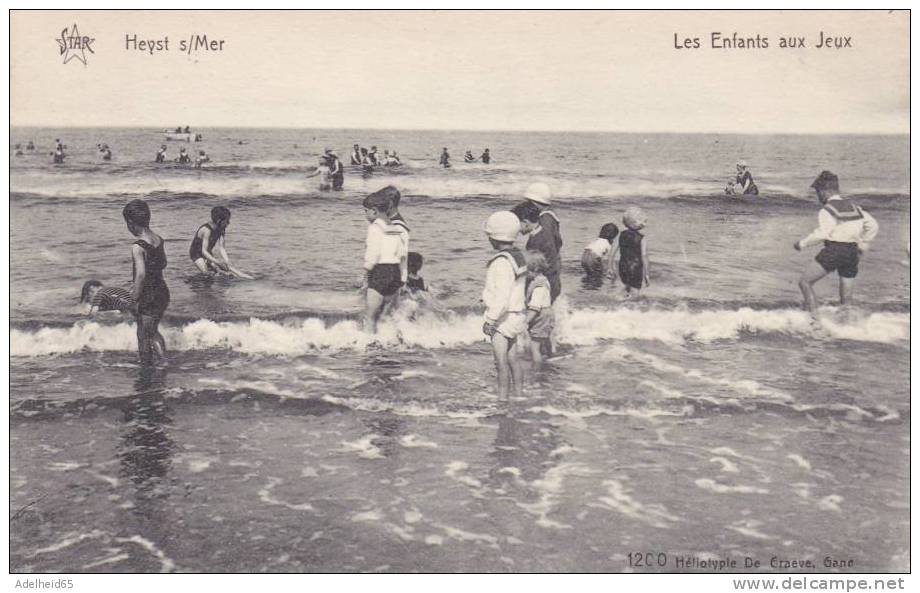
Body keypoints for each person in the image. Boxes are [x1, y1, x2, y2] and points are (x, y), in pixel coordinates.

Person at [794, 171, 879, 313]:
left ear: (825, 191)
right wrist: (862, 246)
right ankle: (846, 327)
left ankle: (815, 323)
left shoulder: (827, 210)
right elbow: (873, 225)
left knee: (805, 282)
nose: (818, 196)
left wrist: (802, 243)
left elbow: (822, 234)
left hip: (834, 251)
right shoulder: (854, 207)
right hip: (852, 252)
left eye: (818, 192)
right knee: (846, 299)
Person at [482, 211, 528, 398]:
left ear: (494, 238)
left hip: (503, 318)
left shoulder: (501, 262)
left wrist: (491, 319)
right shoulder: (518, 256)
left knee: (500, 363)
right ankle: (518, 395)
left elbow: (501, 296)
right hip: (517, 314)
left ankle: (502, 400)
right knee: (513, 360)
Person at [123, 199, 169, 364]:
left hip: (148, 295)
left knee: (143, 334)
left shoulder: (138, 246)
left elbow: (141, 275)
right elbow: (163, 264)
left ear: (131, 223)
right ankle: (161, 362)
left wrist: (134, 298)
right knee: (152, 331)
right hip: (162, 292)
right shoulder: (158, 239)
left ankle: (150, 366)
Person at [361, 189, 408, 333]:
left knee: (370, 316)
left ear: (374, 211)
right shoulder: (394, 227)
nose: (365, 215)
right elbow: (401, 253)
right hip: (394, 272)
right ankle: (391, 342)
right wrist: (403, 277)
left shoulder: (374, 227)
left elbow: (373, 253)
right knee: (387, 315)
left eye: (366, 211)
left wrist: (366, 271)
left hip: (380, 272)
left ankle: (368, 343)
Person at [522, 183, 563, 302]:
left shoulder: (544, 223)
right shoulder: (549, 218)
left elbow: (547, 251)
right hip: (552, 272)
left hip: (546, 275)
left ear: (534, 203)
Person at [189, 206, 253, 279]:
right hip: (196, 253)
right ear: (219, 221)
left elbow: (222, 247)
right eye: (227, 221)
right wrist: (218, 262)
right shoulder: (206, 230)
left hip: (208, 252)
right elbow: (204, 251)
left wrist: (227, 261)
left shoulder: (222, 229)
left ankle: (245, 277)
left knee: (224, 269)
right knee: (207, 274)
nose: (229, 223)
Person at [610, 206, 650, 297]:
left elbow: (612, 252)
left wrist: (610, 267)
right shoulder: (642, 238)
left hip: (623, 267)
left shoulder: (621, 235)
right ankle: (630, 308)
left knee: (627, 288)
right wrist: (646, 274)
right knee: (635, 294)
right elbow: (644, 256)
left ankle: (620, 304)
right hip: (635, 268)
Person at [524, 251, 555, 367]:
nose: (525, 273)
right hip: (547, 313)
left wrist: (525, 321)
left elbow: (534, 308)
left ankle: (537, 368)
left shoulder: (539, 286)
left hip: (541, 316)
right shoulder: (543, 280)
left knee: (534, 345)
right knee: (545, 337)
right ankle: (550, 355)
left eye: (527, 270)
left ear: (535, 269)